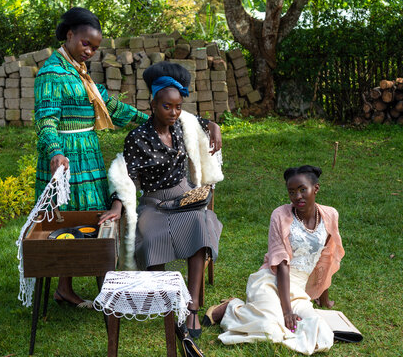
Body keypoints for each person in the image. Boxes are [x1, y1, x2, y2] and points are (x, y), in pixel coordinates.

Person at [34, 7, 149, 308]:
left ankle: (91, 287)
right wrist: (55, 152)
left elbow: (111, 106)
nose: (90, 51)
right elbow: (46, 120)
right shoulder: (51, 73)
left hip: (89, 156)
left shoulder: (78, 72)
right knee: (66, 221)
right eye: (86, 44)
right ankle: (68, 287)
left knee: (91, 218)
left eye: (95, 48)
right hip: (67, 161)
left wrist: (149, 120)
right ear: (70, 35)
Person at [99, 61, 224, 339]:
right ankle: (164, 298)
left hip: (184, 195)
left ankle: (190, 306)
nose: (174, 112)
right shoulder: (137, 138)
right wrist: (118, 206)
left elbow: (198, 121)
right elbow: (127, 176)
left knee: (200, 224)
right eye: (167, 106)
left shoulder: (181, 125)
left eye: (178, 106)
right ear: (153, 104)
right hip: (154, 202)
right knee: (151, 235)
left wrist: (213, 125)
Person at [203, 165, 345, 355]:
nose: (298, 196)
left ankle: (256, 310)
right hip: (271, 280)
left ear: (316, 189)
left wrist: (323, 299)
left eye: (303, 190)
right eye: (292, 192)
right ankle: (231, 308)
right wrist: (287, 311)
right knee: (269, 328)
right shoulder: (280, 215)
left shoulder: (330, 215)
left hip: (298, 291)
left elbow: (325, 260)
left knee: (321, 334)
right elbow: (282, 264)